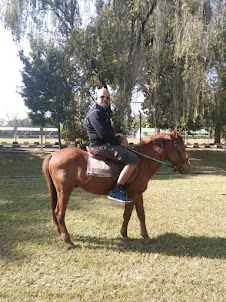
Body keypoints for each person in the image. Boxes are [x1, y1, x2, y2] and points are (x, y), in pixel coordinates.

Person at [85, 87, 138, 203]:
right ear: (96, 98)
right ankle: (116, 190)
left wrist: (119, 137)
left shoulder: (103, 112)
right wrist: (120, 142)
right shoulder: (96, 113)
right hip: (100, 147)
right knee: (133, 158)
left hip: (104, 144)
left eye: (107, 98)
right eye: (102, 97)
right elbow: (104, 135)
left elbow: (109, 133)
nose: (105, 100)